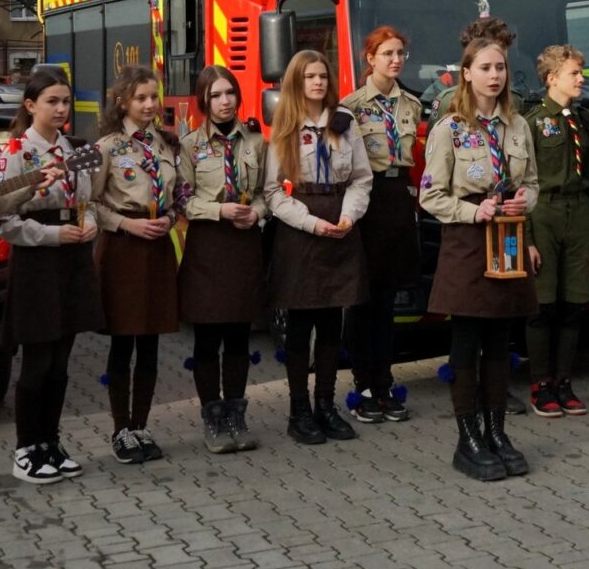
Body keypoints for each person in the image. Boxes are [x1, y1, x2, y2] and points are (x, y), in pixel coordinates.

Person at [421, 35, 538, 480]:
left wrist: (525, 200)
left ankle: (496, 431)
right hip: (468, 243)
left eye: (501, 68)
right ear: (466, 73)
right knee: (468, 342)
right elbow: (430, 195)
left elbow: (533, 181)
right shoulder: (449, 128)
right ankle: (467, 438)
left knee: (500, 340)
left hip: (506, 241)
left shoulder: (518, 125)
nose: (495, 76)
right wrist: (476, 210)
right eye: (486, 68)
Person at [0, 67, 104, 484]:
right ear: (30, 104)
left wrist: (89, 222)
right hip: (38, 261)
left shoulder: (76, 148)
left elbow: (88, 200)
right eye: (52, 101)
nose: (61, 108)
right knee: (37, 360)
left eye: (66, 101)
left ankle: (50, 442)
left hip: (72, 261)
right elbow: (0, 220)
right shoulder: (17, 151)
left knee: (61, 360)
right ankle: (26, 449)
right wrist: (52, 234)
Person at [264, 50, 373, 445]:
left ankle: (326, 406)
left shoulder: (344, 124)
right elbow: (273, 192)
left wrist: (348, 216)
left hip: (340, 223)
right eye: (310, 76)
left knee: (332, 323)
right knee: (300, 326)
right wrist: (312, 223)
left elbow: (361, 177)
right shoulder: (286, 128)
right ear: (297, 81)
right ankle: (299, 412)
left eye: (323, 75)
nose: (318, 82)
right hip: (301, 229)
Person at [90, 66, 181, 466]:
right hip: (123, 249)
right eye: (141, 98)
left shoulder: (166, 144)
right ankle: (120, 429)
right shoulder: (108, 147)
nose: (149, 105)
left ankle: (142, 424)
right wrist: (127, 223)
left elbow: (179, 193)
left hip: (158, 249)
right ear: (123, 101)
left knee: (151, 342)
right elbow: (90, 203)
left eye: (153, 97)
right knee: (122, 340)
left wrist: (171, 216)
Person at [178, 65, 269, 454]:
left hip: (244, 245)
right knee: (207, 337)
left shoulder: (254, 141)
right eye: (215, 95)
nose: (225, 101)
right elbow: (182, 198)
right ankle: (212, 418)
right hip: (208, 246)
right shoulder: (190, 145)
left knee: (238, 336)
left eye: (230, 92)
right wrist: (220, 212)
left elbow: (267, 192)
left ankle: (236, 414)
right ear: (204, 101)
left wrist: (258, 213)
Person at [340, 26, 423, 425]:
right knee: (364, 299)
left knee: (388, 300)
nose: (396, 60)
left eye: (400, 53)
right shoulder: (351, 106)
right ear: (369, 58)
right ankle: (365, 385)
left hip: (397, 200)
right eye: (387, 53)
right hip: (366, 200)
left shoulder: (410, 104)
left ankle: (386, 382)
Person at [522, 45, 589, 417]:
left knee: (574, 303)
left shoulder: (585, 121)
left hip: (580, 213)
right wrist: (529, 239)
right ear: (552, 78)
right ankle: (540, 384)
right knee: (543, 305)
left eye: (580, 72)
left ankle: (564, 381)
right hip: (544, 213)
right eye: (574, 73)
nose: (581, 78)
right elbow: (522, 182)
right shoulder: (533, 122)